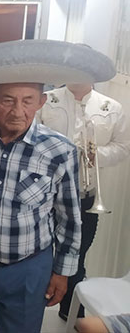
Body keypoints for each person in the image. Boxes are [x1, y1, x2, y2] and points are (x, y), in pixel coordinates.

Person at [0, 82, 81, 333]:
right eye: (8, 100)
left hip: (29, 268)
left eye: (28, 100)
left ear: (41, 101)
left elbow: (69, 217)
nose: (18, 111)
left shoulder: (60, 151)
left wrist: (62, 272)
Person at [39, 83, 130, 320]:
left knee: (77, 257)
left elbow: (123, 147)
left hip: (85, 193)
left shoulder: (111, 107)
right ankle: (35, 306)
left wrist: (95, 153)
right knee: (40, 254)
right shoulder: (47, 99)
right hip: (45, 192)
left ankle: (71, 312)